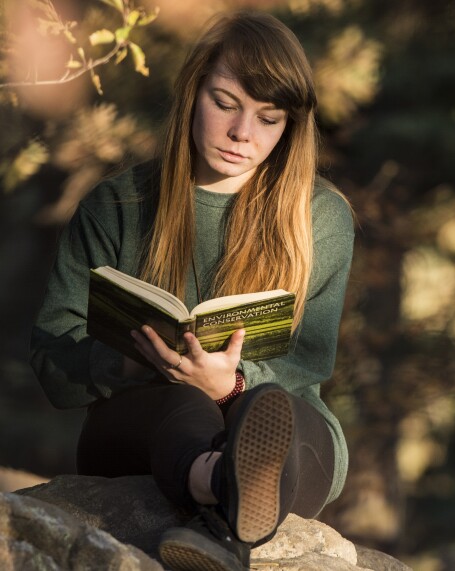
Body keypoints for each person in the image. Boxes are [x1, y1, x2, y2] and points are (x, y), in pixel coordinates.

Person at [29, 10, 354, 571]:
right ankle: (224, 488)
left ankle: (213, 507)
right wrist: (128, 364)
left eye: (268, 118)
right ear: (193, 92)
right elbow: (53, 359)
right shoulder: (117, 206)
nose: (242, 134)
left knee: (269, 410)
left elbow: (308, 364)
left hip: (280, 419)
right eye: (226, 103)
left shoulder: (319, 217)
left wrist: (232, 385)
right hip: (142, 421)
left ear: (290, 128)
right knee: (183, 400)